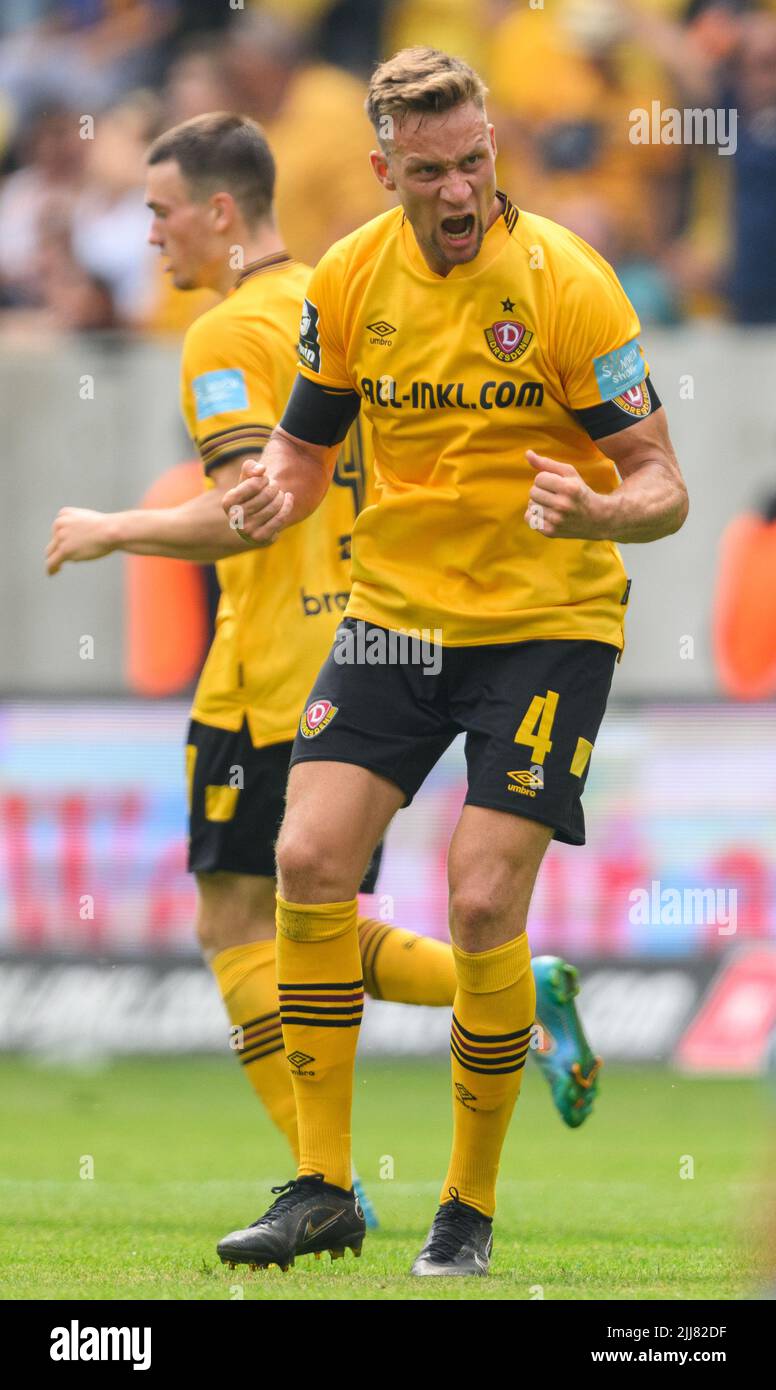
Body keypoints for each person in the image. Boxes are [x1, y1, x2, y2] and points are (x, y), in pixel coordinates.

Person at [45, 111, 598, 1223]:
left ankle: (329, 1174)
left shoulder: (224, 337)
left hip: (274, 664)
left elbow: (250, 505)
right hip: (372, 641)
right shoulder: (346, 294)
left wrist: (116, 526)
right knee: (287, 909)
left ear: (218, 211)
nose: (150, 238)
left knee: (248, 922)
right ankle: (481, 1005)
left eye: (160, 214)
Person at [219, 47, 688, 1278]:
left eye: (474, 161)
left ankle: (464, 1212)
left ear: (493, 152)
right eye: (430, 170)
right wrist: (276, 486)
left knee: (478, 898)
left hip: (546, 622)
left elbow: (662, 484)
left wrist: (597, 510)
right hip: (397, 616)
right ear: (383, 171)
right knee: (307, 858)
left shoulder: (567, 286)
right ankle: (322, 1190)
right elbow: (307, 447)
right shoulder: (348, 279)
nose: (459, 189)